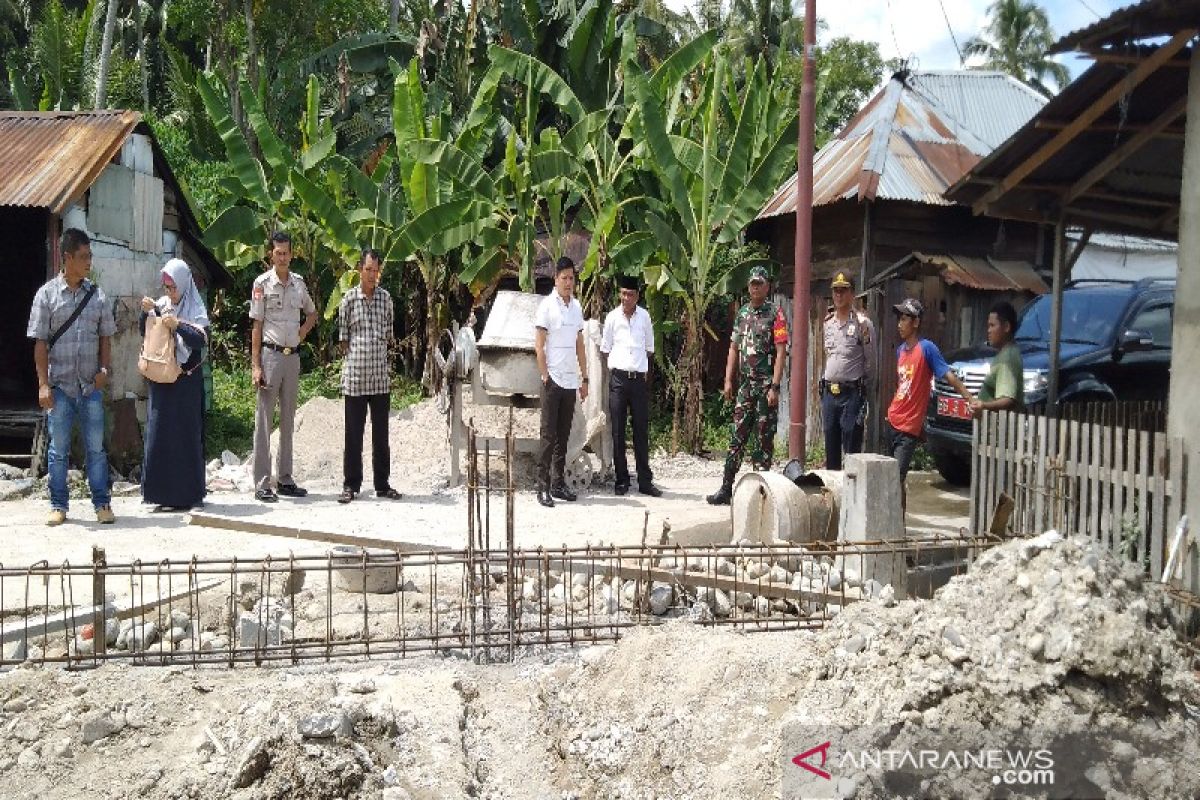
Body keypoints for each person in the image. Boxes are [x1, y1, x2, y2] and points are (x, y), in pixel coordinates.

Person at [27, 228, 117, 526]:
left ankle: (102, 504)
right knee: (58, 451)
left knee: (96, 449)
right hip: (60, 387)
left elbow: (106, 337)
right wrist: (42, 385)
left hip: (90, 386)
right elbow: (40, 343)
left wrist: (104, 370)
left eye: (90, 256)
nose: (89, 261)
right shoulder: (46, 296)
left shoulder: (98, 295)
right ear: (67, 258)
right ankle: (58, 505)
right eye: (83, 256)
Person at [707, 266, 789, 506]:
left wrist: (775, 386)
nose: (755, 287)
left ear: (767, 286)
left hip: (765, 387)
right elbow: (733, 348)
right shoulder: (742, 313)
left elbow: (782, 351)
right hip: (745, 386)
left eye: (759, 283)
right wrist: (728, 379)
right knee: (737, 437)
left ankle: (761, 493)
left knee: (763, 440)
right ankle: (725, 487)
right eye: (752, 283)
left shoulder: (776, 314)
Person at [250, 232, 318, 502]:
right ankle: (262, 483)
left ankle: (286, 479)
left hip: (293, 357)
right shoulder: (261, 284)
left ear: (292, 254)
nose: (282, 256)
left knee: (288, 420)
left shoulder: (299, 284)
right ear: (271, 255)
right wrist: (255, 365)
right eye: (277, 252)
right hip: (270, 355)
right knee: (264, 420)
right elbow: (256, 325)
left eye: (286, 252)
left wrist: (301, 333)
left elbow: (312, 313)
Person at [139, 259, 210, 510]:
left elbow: (200, 340)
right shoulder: (163, 305)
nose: (170, 292)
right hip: (162, 381)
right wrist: (148, 312)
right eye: (166, 287)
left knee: (186, 436)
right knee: (159, 435)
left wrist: (178, 325)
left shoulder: (194, 308)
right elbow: (145, 331)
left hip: (186, 384)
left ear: (183, 284)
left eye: (173, 287)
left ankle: (190, 495)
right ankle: (159, 495)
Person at [884, 298, 973, 493]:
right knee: (891, 480)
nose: (900, 324)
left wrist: (969, 398)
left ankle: (898, 522)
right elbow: (902, 386)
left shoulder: (927, 349)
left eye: (904, 318)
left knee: (895, 480)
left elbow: (948, 375)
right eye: (899, 319)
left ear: (915, 322)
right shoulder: (900, 351)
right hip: (892, 422)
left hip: (908, 428)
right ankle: (899, 522)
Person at [337, 249, 402, 504]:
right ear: (359, 270)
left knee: (381, 436)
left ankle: (382, 484)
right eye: (368, 270)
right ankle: (351, 485)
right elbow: (343, 341)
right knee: (353, 435)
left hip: (379, 379)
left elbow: (388, 335)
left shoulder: (386, 299)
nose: (372, 275)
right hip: (355, 379)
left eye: (376, 270)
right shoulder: (348, 301)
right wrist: (358, 356)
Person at [534, 257, 589, 508]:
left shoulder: (576, 307)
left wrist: (584, 377)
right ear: (555, 279)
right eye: (564, 278)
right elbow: (539, 345)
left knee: (563, 437)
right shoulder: (547, 306)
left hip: (570, 380)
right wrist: (545, 375)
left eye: (571, 278)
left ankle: (558, 484)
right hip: (553, 380)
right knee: (548, 435)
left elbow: (580, 344)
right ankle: (542, 487)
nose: (568, 282)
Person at [601, 275, 661, 497]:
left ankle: (645, 481)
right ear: (620, 294)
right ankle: (621, 479)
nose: (627, 298)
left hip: (638, 380)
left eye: (631, 294)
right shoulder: (612, 318)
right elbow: (605, 348)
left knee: (641, 430)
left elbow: (649, 348)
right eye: (623, 293)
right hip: (618, 379)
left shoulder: (644, 317)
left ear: (637, 296)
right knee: (618, 430)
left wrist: (640, 371)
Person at [820, 272, 876, 470]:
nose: (839, 295)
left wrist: (863, 390)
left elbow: (870, 361)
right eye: (836, 290)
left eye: (843, 290)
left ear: (853, 294)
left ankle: (852, 495)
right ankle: (834, 493)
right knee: (830, 441)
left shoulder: (862, 324)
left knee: (852, 446)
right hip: (829, 392)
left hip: (852, 392)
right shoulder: (827, 323)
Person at [971, 301, 1024, 418]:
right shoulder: (1005, 353)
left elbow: (1008, 399)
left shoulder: (1007, 358)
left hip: (1000, 431)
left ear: (1006, 327)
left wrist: (983, 406)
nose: (988, 331)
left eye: (992, 325)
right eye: (988, 326)